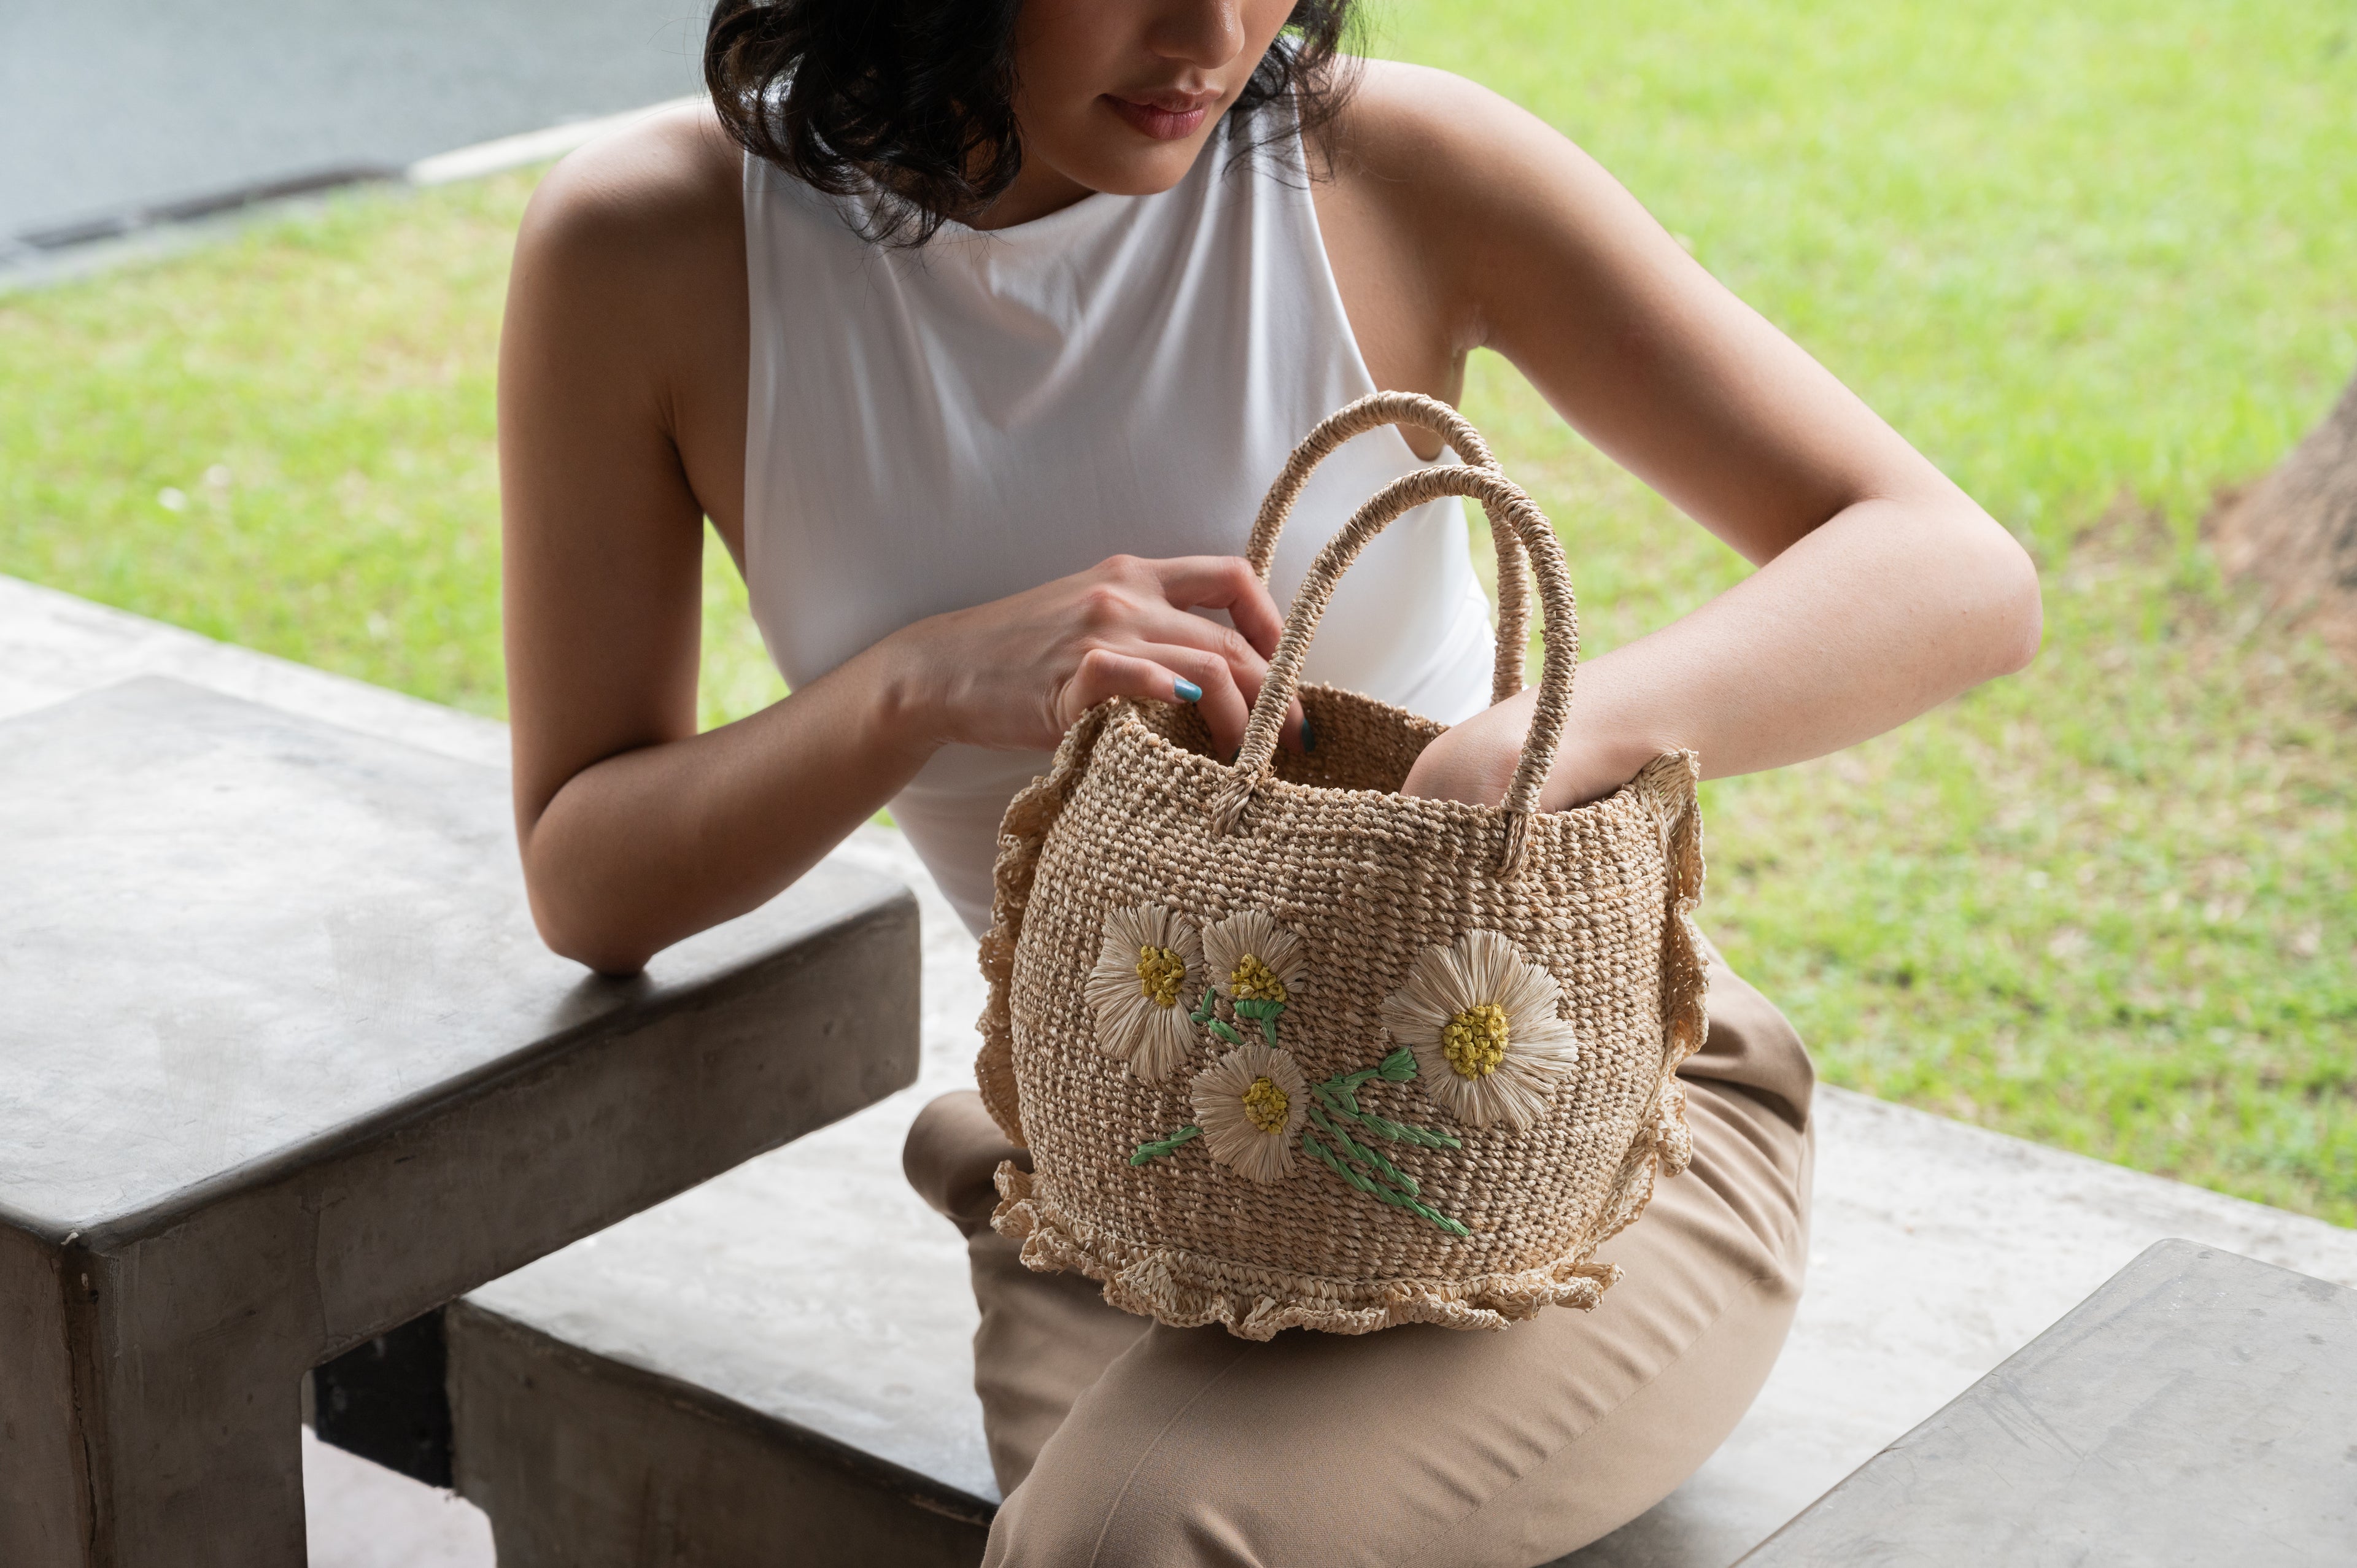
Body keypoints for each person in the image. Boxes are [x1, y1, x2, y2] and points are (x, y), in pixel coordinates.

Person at [497, 1, 2042, 1561]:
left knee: (1124, 1542)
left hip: (1564, 1139)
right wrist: (913, 686)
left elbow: (1952, 569)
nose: (1215, 30)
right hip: (1126, 1171)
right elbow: (590, 877)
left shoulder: (1380, 167)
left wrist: (1524, 748)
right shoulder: (656, 248)